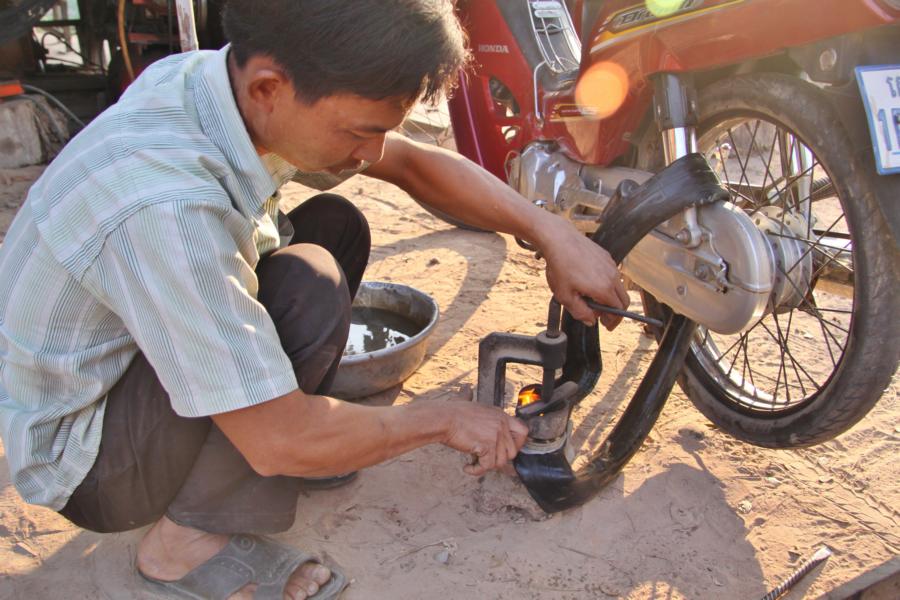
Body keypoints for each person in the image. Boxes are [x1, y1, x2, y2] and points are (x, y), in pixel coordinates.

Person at [0, 1, 629, 598]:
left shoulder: (214, 82)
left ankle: (273, 445)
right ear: (269, 88)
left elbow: (411, 163)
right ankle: (182, 545)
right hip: (89, 458)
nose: (374, 151)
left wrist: (553, 235)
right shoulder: (167, 208)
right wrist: (441, 420)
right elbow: (280, 439)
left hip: (131, 358)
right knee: (308, 284)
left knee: (335, 225)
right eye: (361, 131)